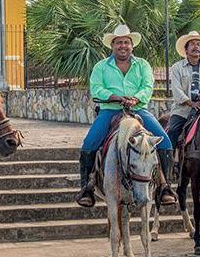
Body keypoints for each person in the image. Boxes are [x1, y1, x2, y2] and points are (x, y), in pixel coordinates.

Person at [75, 24, 177, 208]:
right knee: (90, 142)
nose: (123, 46)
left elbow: (147, 86)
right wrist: (115, 97)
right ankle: (86, 187)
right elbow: (96, 88)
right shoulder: (101, 67)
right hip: (110, 110)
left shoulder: (143, 65)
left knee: (166, 142)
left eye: (126, 42)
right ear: (112, 46)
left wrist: (135, 98)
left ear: (132, 45)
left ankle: (164, 186)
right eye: (119, 43)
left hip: (138, 110)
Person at [166, 31, 200, 150]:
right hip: (183, 110)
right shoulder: (177, 67)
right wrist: (191, 103)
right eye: (192, 44)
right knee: (173, 131)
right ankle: (169, 163)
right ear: (186, 49)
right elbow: (176, 89)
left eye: (198, 44)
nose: (196, 46)